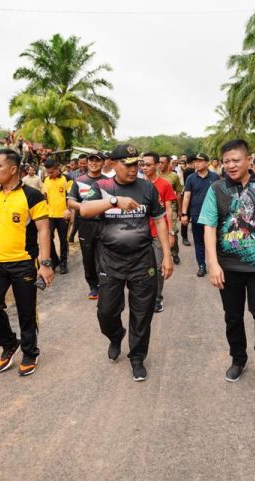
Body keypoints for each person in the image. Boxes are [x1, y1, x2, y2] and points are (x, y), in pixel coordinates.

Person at [80, 144, 173, 382]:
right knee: (107, 312)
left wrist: (167, 254)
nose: (133, 169)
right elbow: (84, 210)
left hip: (143, 260)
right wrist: (113, 201)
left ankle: (137, 358)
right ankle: (115, 335)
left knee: (142, 314)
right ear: (112, 164)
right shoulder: (101, 187)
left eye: (136, 164)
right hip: (110, 260)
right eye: (127, 164)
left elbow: (160, 221)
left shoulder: (147, 188)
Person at [199, 139, 255, 389]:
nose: (231, 165)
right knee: (233, 316)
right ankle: (238, 358)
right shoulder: (216, 189)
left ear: (249, 160)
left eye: (236, 160)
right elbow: (209, 227)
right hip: (228, 267)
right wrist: (213, 264)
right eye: (226, 161)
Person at [0, 149, 54, 377]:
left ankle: (30, 351)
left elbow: (43, 230)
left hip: (24, 262)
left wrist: (46, 263)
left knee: (26, 312)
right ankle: (9, 343)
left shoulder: (32, 196)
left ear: (13, 169)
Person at [67, 150, 105, 300]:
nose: (94, 163)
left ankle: (106, 284)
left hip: (104, 224)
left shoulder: (108, 181)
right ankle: (93, 286)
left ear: (103, 163)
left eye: (97, 160)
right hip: (85, 225)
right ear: (87, 162)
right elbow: (70, 201)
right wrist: (83, 208)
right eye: (91, 160)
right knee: (88, 257)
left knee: (104, 256)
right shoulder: (79, 181)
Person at [142, 152, 176, 313]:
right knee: (141, 267)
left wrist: (171, 233)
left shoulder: (165, 184)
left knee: (157, 266)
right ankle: (143, 296)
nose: (144, 167)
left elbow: (168, 210)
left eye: (148, 164)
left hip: (158, 234)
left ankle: (157, 298)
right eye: (142, 164)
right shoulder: (136, 184)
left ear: (157, 165)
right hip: (140, 233)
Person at [181, 152, 219, 277]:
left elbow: (221, 195)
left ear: (207, 163)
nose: (197, 163)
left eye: (200, 161)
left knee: (216, 240)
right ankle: (201, 265)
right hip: (196, 214)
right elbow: (186, 196)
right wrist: (184, 214)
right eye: (195, 161)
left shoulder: (215, 177)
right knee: (199, 242)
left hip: (213, 215)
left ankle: (217, 264)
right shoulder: (190, 178)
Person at [42, 157, 72, 274]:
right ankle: (55, 261)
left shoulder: (67, 179)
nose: (50, 174)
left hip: (63, 215)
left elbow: (71, 196)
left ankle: (64, 263)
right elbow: (44, 196)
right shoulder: (46, 180)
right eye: (48, 172)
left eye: (52, 172)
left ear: (58, 168)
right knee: (48, 239)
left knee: (63, 240)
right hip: (49, 215)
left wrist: (69, 210)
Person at [159, 154, 183, 265]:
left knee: (172, 230)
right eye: (159, 162)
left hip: (172, 206)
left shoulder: (174, 176)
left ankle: (174, 252)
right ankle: (163, 252)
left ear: (169, 164)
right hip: (158, 207)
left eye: (163, 162)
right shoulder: (155, 175)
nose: (160, 165)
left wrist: (179, 210)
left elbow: (178, 193)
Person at [179, 155, 196, 246]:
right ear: (193, 162)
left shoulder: (186, 170)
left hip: (189, 193)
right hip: (189, 194)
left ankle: (184, 237)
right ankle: (184, 237)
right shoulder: (190, 171)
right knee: (186, 215)